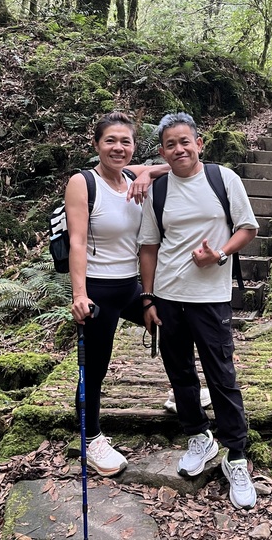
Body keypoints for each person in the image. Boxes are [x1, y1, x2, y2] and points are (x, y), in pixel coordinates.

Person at [138, 112, 259, 511]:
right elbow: (149, 247)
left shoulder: (223, 179)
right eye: (170, 145)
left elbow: (247, 228)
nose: (179, 149)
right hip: (168, 296)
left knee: (221, 374)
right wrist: (148, 299)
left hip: (210, 296)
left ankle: (236, 455)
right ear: (162, 152)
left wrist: (218, 254)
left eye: (185, 141)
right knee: (180, 373)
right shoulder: (158, 191)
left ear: (199, 143)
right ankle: (199, 436)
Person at [66, 111, 169, 477]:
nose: (118, 148)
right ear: (96, 144)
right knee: (94, 367)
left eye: (126, 141)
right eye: (110, 140)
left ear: (134, 147)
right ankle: (91, 439)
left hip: (130, 286)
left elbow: (171, 165)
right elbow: (77, 242)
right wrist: (79, 295)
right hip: (98, 289)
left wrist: (144, 173)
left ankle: (182, 391)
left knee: (171, 322)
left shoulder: (129, 176)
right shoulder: (83, 182)